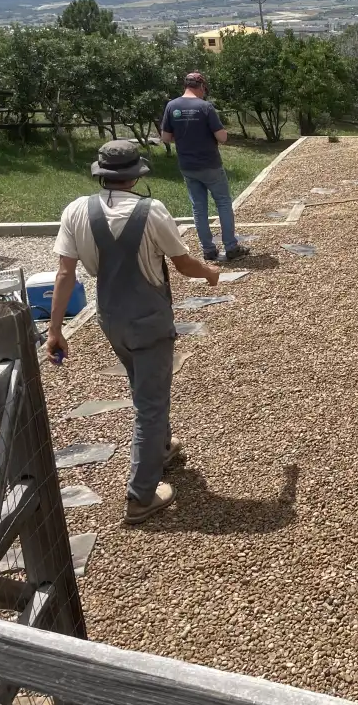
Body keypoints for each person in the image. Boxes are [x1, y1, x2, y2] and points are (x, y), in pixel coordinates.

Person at [46, 140, 221, 524]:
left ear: (102, 174)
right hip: (148, 319)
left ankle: (161, 449)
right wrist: (210, 273)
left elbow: (64, 273)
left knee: (145, 385)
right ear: (136, 174)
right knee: (150, 405)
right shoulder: (151, 210)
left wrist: (56, 330)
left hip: (111, 319)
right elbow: (183, 264)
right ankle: (141, 496)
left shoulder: (76, 210)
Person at [160, 72, 249, 261]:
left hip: (188, 166)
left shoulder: (172, 106)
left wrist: (183, 137)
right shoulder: (205, 107)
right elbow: (222, 137)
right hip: (210, 165)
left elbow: (166, 138)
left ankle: (208, 250)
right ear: (200, 86)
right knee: (223, 203)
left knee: (199, 208)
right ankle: (231, 247)